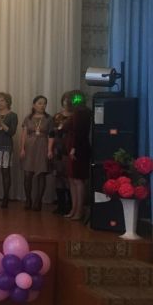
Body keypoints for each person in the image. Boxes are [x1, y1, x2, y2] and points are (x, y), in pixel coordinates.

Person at [20, 95, 54, 211]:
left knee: (41, 174)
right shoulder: (28, 118)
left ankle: (38, 201)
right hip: (29, 147)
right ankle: (28, 199)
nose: (42, 105)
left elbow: (51, 135)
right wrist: (22, 148)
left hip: (42, 146)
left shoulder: (49, 119)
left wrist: (50, 150)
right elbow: (24, 134)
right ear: (34, 105)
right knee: (27, 174)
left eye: (44, 103)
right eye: (40, 103)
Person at [64, 91, 91, 221]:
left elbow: (80, 133)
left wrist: (74, 149)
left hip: (79, 149)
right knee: (72, 179)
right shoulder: (76, 113)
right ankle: (74, 209)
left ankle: (79, 210)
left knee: (78, 180)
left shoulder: (82, 113)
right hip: (73, 147)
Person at [0, 92, 18, 208]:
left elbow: (12, 132)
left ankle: (6, 197)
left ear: (7, 102)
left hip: (6, 146)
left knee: (5, 172)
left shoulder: (13, 115)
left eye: (2, 100)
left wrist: (2, 123)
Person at [52, 92, 73, 215]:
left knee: (68, 177)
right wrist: (50, 149)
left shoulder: (75, 116)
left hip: (69, 149)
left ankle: (70, 205)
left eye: (69, 100)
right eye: (65, 100)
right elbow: (52, 134)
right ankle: (60, 204)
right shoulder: (57, 116)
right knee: (58, 176)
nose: (67, 102)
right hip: (58, 150)